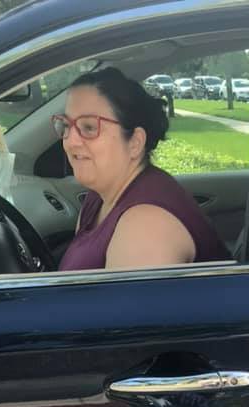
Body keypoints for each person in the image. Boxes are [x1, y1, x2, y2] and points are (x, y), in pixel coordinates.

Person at [55, 67, 229, 271]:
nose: (71, 141)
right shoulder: (98, 198)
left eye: (90, 127)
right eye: (66, 126)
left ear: (135, 143)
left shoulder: (147, 226)